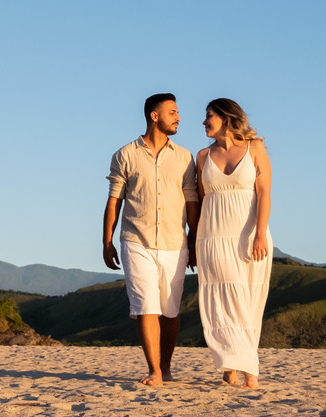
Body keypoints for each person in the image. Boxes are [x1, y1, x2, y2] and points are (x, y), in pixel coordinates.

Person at [103, 93, 200, 387]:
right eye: (172, 112)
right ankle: (154, 371)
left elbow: (192, 202)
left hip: (175, 242)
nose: (179, 117)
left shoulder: (185, 157)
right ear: (154, 116)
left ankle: (166, 367)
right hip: (136, 240)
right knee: (146, 306)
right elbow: (114, 201)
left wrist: (194, 242)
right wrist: (107, 241)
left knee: (170, 311)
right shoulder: (125, 155)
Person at [195, 98, 272, 389]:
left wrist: (261, 233)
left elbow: (264, 194)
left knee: (249, 301)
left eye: (209, 116)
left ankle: (243, 366)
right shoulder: (202, 156)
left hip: (250, 235)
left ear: (226, 118)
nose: (204, 122)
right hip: (212, 236)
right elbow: (202, 201)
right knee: (223, 302)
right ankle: (235, 364)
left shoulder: (256, 148)